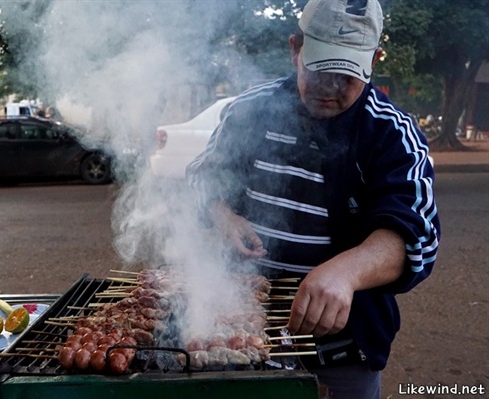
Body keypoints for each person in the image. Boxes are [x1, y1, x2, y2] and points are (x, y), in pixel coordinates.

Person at [186, 0, 440, 397]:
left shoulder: (391, 134)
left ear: (373, 60)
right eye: (320, 71)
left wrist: (347, 271)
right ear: (295, 49)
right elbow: (201, 178)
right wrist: (223, 215)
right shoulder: (249, 111)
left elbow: (417, 237)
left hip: (342, 356)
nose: (331, 89)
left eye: (346, 76)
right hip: (239, 337)